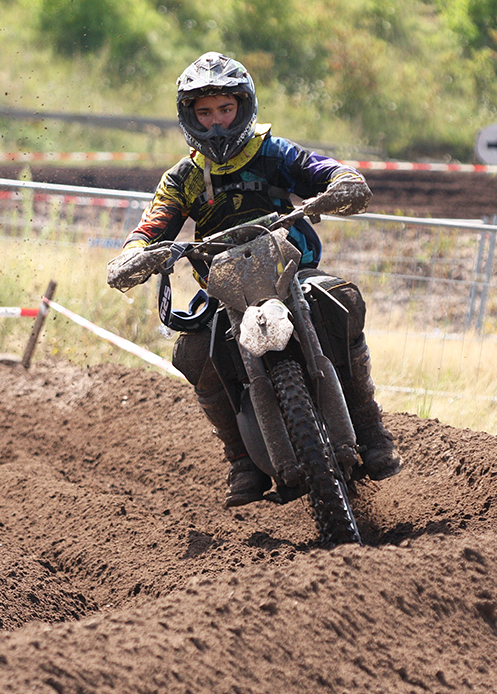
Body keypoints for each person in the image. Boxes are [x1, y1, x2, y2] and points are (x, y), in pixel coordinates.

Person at [107, 51, 400, 506]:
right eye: (205, 113)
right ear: (190, 117)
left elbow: (320, 168)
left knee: (341, 299)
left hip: (291, 270)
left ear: (244, 107)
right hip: (226, 290)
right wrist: (133, 255)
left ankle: (369, 426)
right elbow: (152, 225)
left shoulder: (272, 152)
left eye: (226, 109)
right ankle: (241, 460)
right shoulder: (182, 178)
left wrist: (343, 179)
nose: (218, 123)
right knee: (192, 352)